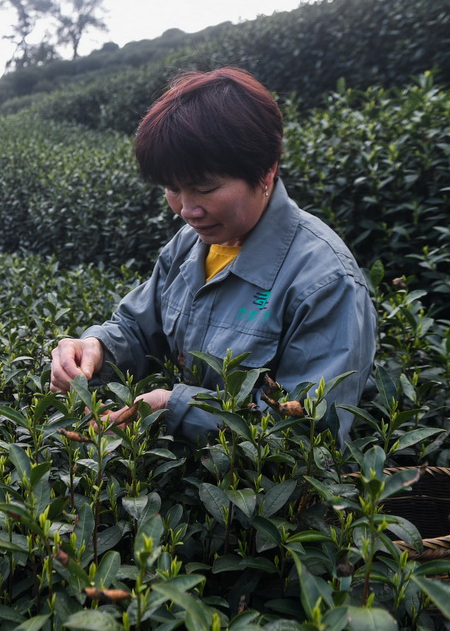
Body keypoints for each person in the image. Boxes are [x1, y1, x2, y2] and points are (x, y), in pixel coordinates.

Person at [50, 68, 376, 445]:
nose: (187, 210)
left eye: (205, 188)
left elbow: (308, 432)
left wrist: (175, 408)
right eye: (172, 188)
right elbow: (140, 328)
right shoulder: (188, 246)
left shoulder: (324, 281)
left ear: (266, 170)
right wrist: (96, 348)